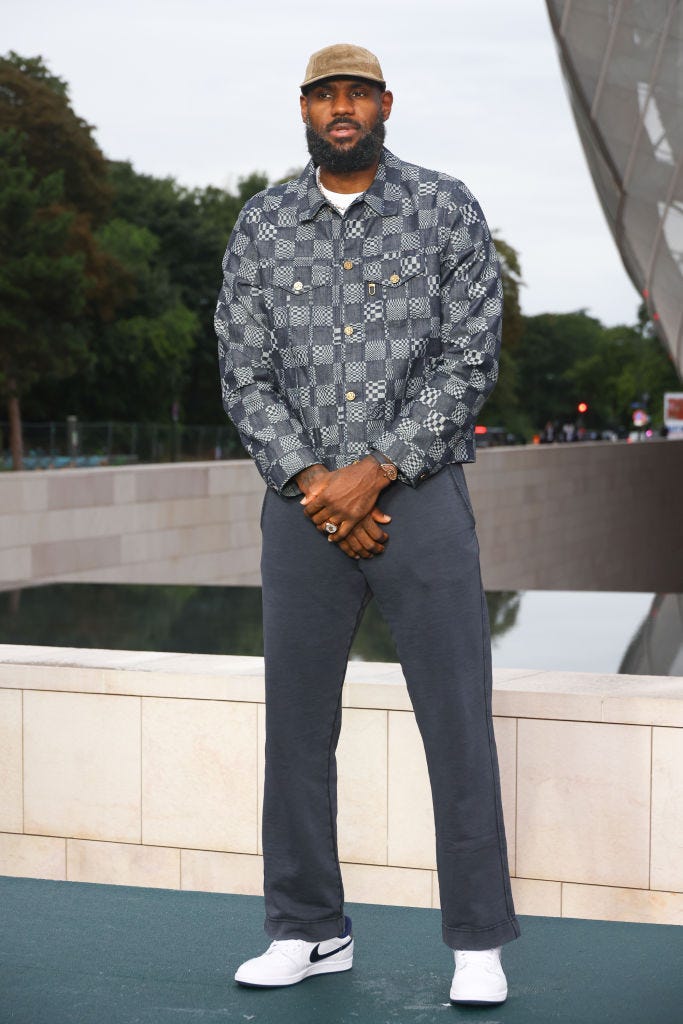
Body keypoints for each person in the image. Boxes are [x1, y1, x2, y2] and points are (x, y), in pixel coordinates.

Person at [215, 42, 520, 1006]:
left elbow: (469, 357)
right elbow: (242, 370)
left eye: (355, 93)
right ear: (304, 110)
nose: (340, 109)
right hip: (301, 504)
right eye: (323, 96)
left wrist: (375, 472)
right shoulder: (261, 224)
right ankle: (307, 931)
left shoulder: (444, 207)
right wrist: (318, 482)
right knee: (296, 730)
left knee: (456, 720)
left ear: (384, 103)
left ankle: (476, 943)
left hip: (419, 497)